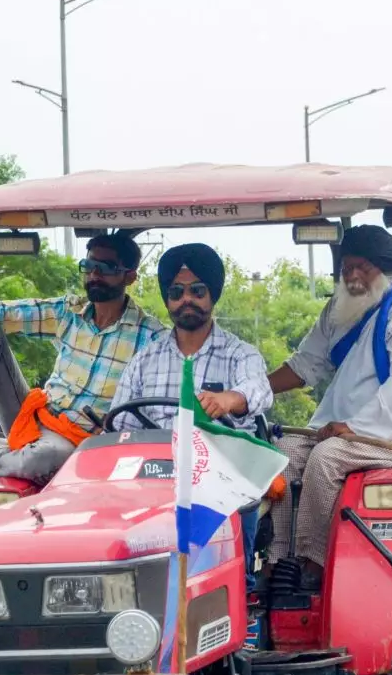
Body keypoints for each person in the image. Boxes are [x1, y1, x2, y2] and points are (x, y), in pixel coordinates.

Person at [264, 225, 392, 594]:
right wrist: (251, 391)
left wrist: (356, 427)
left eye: (362, 268)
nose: (352, 276)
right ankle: (279, 561)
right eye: (346, 268)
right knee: (285, 452)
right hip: (343, 429)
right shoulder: (338, 309)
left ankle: (313, 563)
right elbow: (306, 364)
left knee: (325, 458)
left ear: (384, 271)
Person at [107, 242, 275, 592]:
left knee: (236, 502)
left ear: (212, 295)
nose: (187, 300)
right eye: (176, 291)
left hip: (219, 480)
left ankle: (237, 591)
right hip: (153, 478)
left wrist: (230, 399)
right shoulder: (144, 360)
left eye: (197, 290)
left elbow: (259, 390)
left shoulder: (239, 354)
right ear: (167, 299)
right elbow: (118, 429)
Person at [0, 231, 165, 483]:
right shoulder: (68, 312)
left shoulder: (151, 337)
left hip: (77, 439)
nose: (94, 275)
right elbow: (1, 310)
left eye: (106, 267)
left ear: (130, 276)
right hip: (34, 415)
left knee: (40, 458)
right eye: (89, 265)